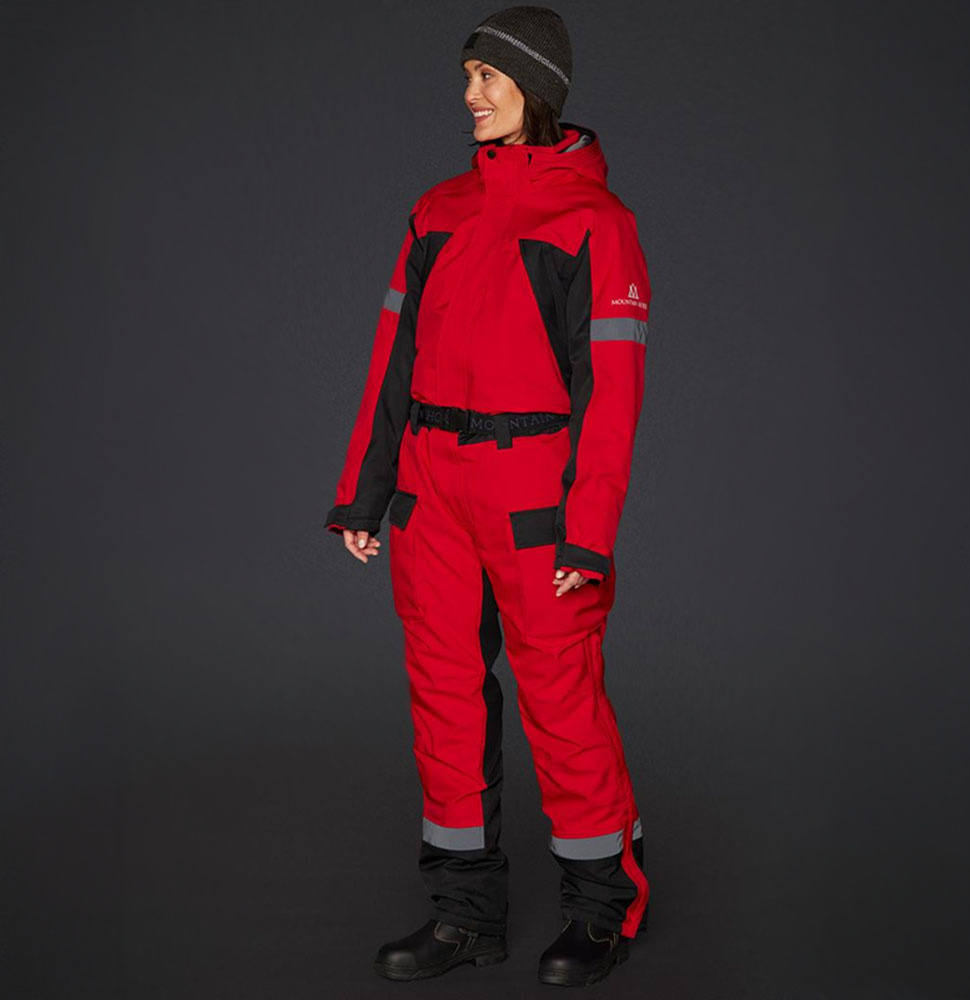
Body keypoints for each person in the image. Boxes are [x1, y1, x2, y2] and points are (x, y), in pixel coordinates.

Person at [324, 5, 652, 987]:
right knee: (444, 699)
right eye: (467, 76)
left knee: (561, 699)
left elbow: (611, 398)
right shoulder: (437, 212)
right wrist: (364, 493)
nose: (469, 94)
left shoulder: (594, 224)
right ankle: (464, 916)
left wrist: (586, 535)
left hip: (533, 493)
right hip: (431, 487)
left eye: (486, 77)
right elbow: (392, 359)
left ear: (533, 87)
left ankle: (603, 909)